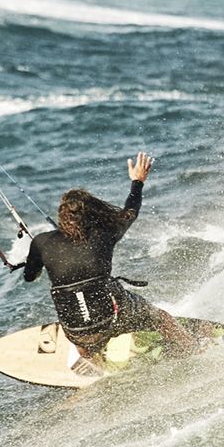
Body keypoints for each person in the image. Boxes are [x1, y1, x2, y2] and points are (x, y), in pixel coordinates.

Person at [14, 151, 199, 363]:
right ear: (92, 213)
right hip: (113, 317)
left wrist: (38, 261)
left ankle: (95, 364)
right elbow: (130, 211)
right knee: (161, 319)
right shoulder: (104, 233)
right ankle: (194, 349)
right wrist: (137, 181)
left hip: (77, 330)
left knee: (79, 333)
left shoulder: (41, 242)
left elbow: (30, 277)